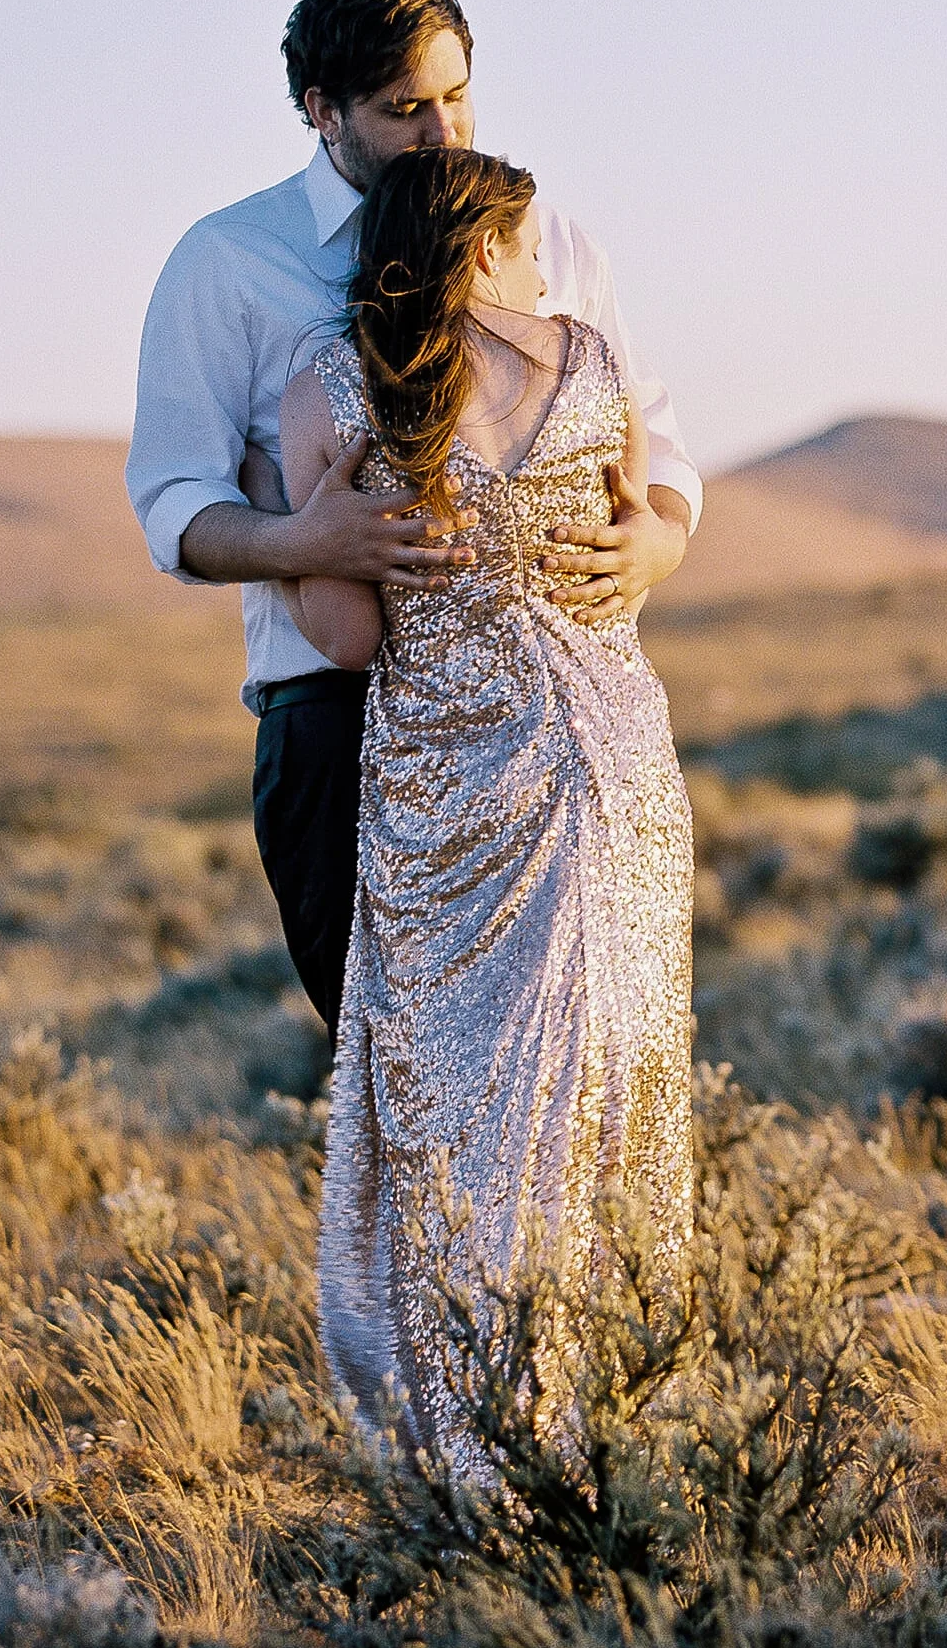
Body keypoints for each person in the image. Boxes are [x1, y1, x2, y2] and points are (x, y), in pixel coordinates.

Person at [124, 0, 700, 1031]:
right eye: (404, 109)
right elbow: (171, 503)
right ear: (321, 112)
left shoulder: (552, 240)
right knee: (409, 1086)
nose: (443, 133)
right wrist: (303, 539)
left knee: (580, 1069)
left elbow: (656, 445)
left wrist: (657, 541)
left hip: (556, 732)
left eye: (455, 94)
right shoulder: (230, 262)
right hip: (337, 722)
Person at [275, 145, 692, 1459]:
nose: (538, 269)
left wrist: (313, 549)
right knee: (597, 1081)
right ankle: (594, 1410)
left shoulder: (333, 393)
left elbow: (344, 638)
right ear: (487, 249)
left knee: (452, 1095)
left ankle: (467, 1414)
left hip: (450, 785)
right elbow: (634, 550)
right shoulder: (592, 364)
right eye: (522, 247)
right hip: (611, 765)